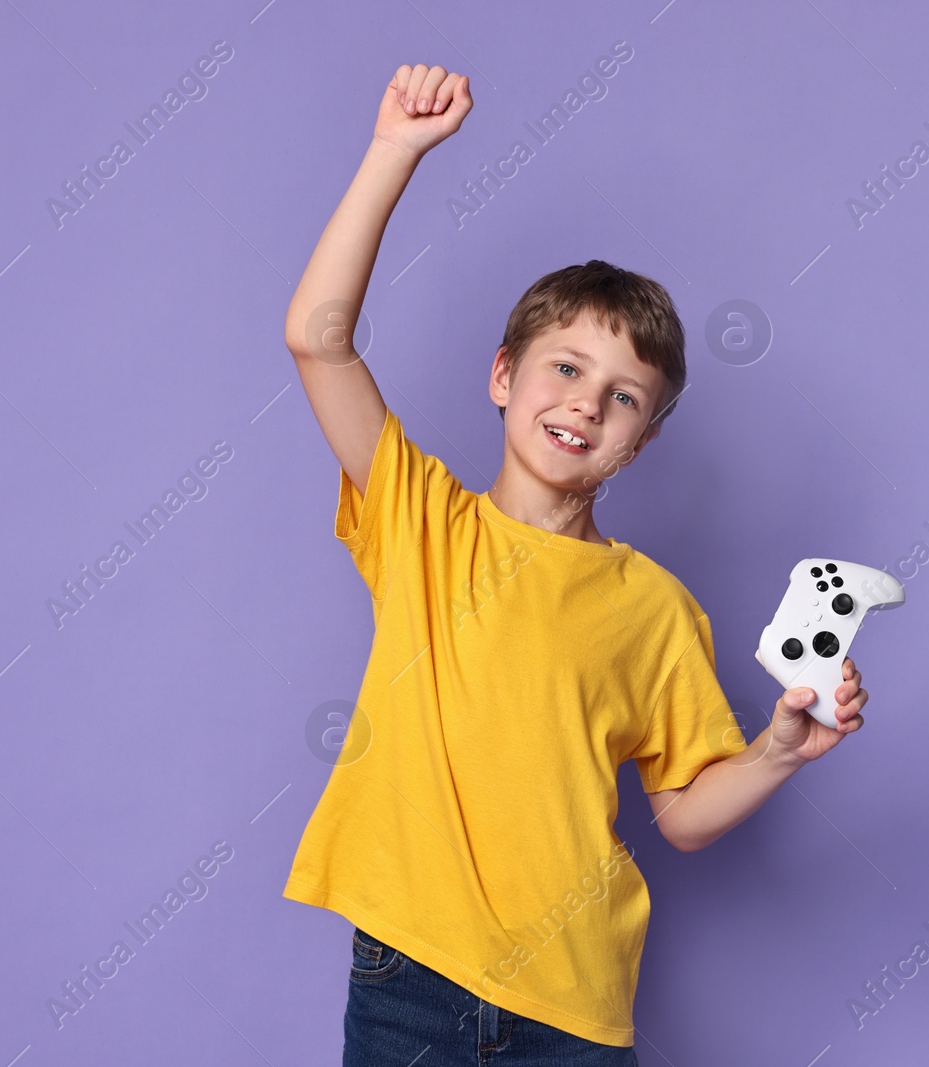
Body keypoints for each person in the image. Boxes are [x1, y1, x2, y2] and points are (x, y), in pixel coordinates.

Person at [281, 63, 870, 1066]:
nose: (587, 406)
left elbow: (681, 812)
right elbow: (317, 337)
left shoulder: (655, 607)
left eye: (624, 396)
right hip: (408, 983)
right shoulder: (425, 522)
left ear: (639, 440)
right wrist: (394, 151)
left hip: (573, 1008)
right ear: (504, 376)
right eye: (565, 368)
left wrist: (776, 751)